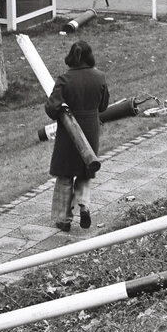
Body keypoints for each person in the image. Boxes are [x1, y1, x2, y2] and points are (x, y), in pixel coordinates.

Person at [45, 41, 110, 232]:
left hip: (69, 133)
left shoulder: (64, 79)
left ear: (71, 57)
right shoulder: (99, 77)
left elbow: (51, 107)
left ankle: (63, 219)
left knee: (65, 174)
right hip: (90, 129)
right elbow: (104, 106)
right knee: (85, 171)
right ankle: (84, 205)